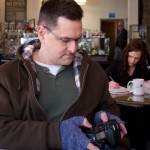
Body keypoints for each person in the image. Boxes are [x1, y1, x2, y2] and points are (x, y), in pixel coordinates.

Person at [0, 0, 127, 150]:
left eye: (77, 39)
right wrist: (58, 134)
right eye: (65, 40)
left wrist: (105, 118)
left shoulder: (94, 71)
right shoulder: (7, 75)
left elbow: (110, 107)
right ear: (42, 33)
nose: (73, 49)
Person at [105, 39, 150, 150]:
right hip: (119, 104)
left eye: (136, 58)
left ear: (141, 58)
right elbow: (102, 79)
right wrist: (108, 83)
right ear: (126, 54)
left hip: (137, 105)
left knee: (142, 114)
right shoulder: (116, 65)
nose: (133, 61)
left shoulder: (142, 67)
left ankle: (138, 144)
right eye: (130, 57)